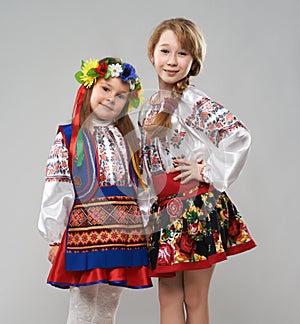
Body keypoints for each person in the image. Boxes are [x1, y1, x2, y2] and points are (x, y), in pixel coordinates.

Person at [138, 18, 256, 324]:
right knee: (168, 295)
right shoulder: (148, 106)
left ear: (194, 62)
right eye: (165, 51)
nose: (172, 61)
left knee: (194, 296)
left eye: (183, 53)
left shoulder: (193, 101)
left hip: (194, 206)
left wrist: (206, 170)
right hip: (164, 209)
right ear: (152, 54)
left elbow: (238, 136)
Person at [38, 57, 152, 324]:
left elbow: (141, 188)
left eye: (121, 95)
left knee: (107, 309)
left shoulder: (129, 140)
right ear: (89, 88)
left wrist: (146, 227)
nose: (112, 98)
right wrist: (55, 236)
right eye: (105, 89)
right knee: (82, 308)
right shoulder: (70, 136)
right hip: (86, 236)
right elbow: (58, 186)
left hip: (125, 235)